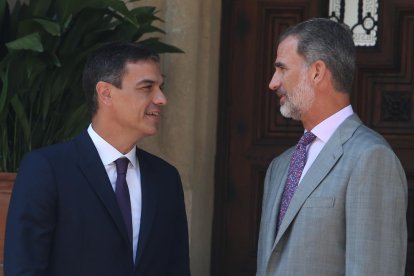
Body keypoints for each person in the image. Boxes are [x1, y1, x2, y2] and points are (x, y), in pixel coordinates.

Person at [4, 42, 191, 275]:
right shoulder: (47, 169)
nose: (161, 99)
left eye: (160, 87)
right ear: (106, 93)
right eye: (147, 87)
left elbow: (177, 268)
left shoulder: (166, 178)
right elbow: (24, 268)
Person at [257, 18, 407, 275]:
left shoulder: (371, 158)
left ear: (317, 72)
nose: (273, 82)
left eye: (282, 69)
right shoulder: (280, 166)